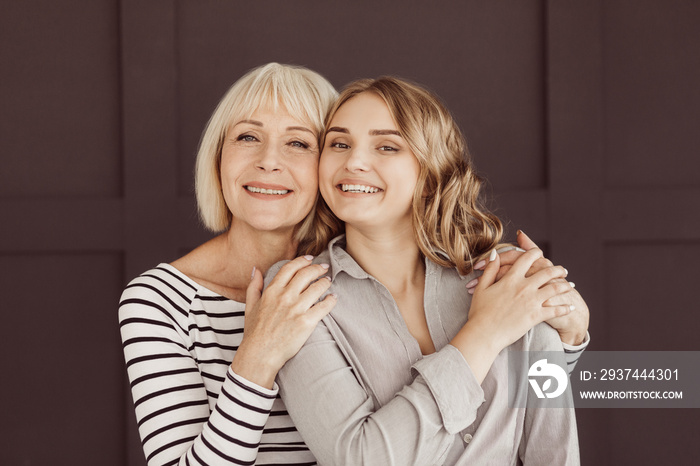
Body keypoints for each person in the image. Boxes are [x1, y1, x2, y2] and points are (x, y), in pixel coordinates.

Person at [273, 77, 585, 465]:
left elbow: (553, 448)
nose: (353, 161)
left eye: (387, 146)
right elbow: (359, 458)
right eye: (339, 143)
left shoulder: (508, 277)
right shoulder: (298, 290)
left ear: (430, 173)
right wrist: (485, 333)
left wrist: (568, 328)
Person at [118, 63, 339, 465]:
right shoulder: (158, 300)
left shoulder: (358, 277)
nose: (268, 161)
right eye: (248, 136)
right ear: (218, 156)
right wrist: (258, 355)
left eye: (299, 143)